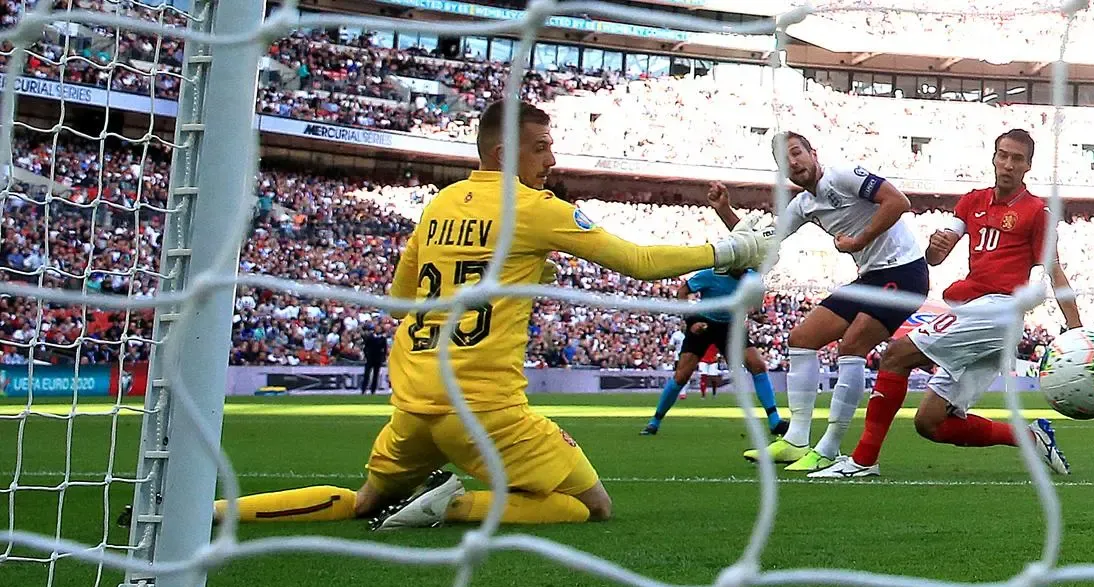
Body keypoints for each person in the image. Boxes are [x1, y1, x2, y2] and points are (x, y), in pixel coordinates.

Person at [212, 100, 773, 528]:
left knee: (362, 502)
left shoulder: (440, 202)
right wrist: (730, 250)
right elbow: (638, 260)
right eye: (543, 147)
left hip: (414, 402)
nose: (552, 158)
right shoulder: (534, 207)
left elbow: (403, 292)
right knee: (590, 507)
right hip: (483, 407)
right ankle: (453, 506)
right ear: (507, 155)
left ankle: (215, 512)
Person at [810, 129, 1079, 479]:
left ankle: (862, 461)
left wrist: (1077, 333)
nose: (1007, 164)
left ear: (1028, 166)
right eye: (1002, 155)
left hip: (1000, 311)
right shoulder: (971, 201)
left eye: (1017, 158)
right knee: (931, 422)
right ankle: (1030, 437)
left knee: (896, 354)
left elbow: (1055, 272)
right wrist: (935, 249)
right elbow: (937, 255)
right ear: (994, 157)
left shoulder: (1036, 212)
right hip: (972, 313)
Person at [709, 132, 930, 473]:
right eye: (785, 161)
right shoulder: (802, 206)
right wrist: (725, 210)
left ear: (813, 153)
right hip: (871, 277)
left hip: (904, 273)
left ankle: (829, 448)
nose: (794, 163)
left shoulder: (843, 176)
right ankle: (797, 439)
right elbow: (762, 241)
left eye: (797, 153)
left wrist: (859, 240)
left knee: (852, 346)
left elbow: (898, 202)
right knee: (801, 339)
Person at [640, 268, 788, 436]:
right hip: (703, 323)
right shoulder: (709, 275)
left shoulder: (752, 277)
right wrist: (690, 321)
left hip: (730, 326)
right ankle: (655, 421)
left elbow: (752, 299)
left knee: (758, 366)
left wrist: (755, 314)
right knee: (682, 376)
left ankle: (775, 421)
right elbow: (682, 292)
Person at [359, 324, 388, 394]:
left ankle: (373, 390)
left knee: (376, 375)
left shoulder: (382, 338)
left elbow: (385, 349)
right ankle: (363, 390)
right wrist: (366, 356)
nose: (378, 330)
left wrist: (383, 358)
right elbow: (365, 347)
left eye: (379, 328)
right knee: (366, 375)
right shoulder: (370, 337)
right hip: (370, 359)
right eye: (377, 328)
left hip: (378, 359)